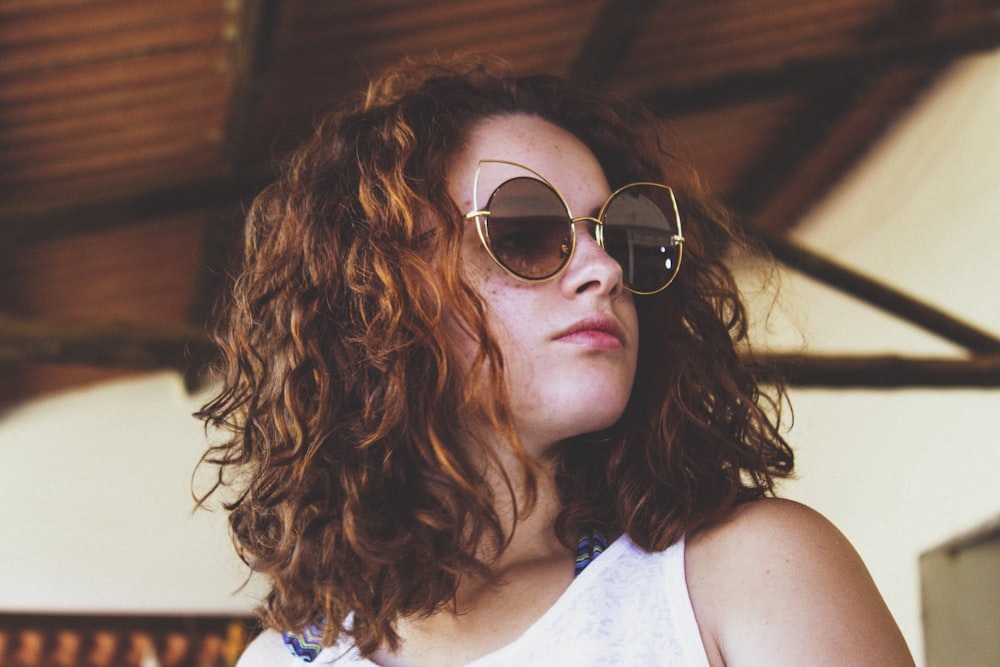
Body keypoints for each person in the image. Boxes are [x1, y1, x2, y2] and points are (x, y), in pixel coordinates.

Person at [198, 55, 914, 666]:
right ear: (376, 290)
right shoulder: (283, 658)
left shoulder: (746, 574)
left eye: (625, 234)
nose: (604, 268)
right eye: (526, 231)